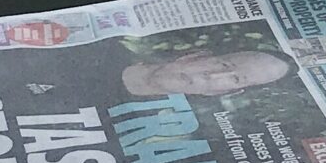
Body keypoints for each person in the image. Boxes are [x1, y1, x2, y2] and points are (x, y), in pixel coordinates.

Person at [119, 47, 294, 101]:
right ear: (194, 56)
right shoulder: (109, 51)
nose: (212, 75)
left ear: (220, 93)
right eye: (224, 64)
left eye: (235, 79)